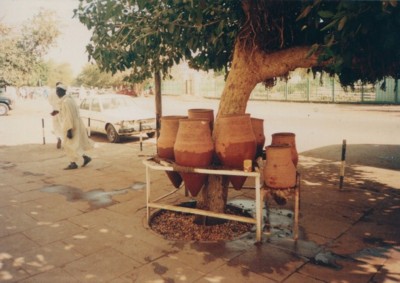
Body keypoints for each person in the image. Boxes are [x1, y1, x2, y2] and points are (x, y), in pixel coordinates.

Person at [56, 83, 93, 170]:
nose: (57, 93)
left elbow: (69, 116)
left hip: (71, 125)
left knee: (68, 144)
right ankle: (84, 158)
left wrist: (69, 130)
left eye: (58, 91)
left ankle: (73, 163)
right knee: (74, 144)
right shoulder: (70, 99)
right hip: (75, 124)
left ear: (62, 91)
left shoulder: (66, 102)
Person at [48, 83, 62, 148]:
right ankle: (62, 138)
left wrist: (54, 105)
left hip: (54, 111)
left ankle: (58, 138)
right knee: (62, 126)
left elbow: (49, 101)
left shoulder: (52, 92)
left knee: (56, 127)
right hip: (61, 112)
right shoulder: (62, 92)